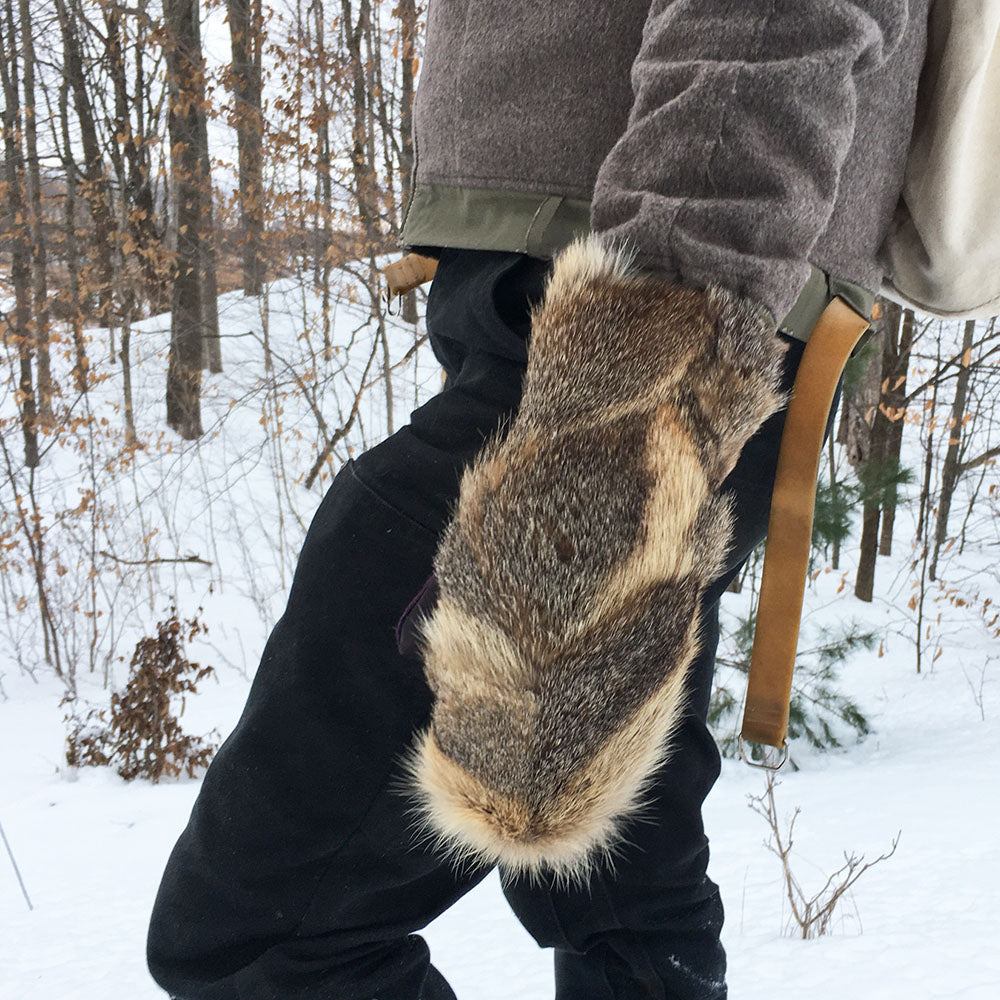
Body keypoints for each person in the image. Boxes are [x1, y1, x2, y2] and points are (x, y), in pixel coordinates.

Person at [147, 2, 931, 997]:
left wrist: (636, 383)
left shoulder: (634, 351)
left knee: (255, 935)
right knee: (623, 907)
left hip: (619, 312)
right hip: (615, 292)